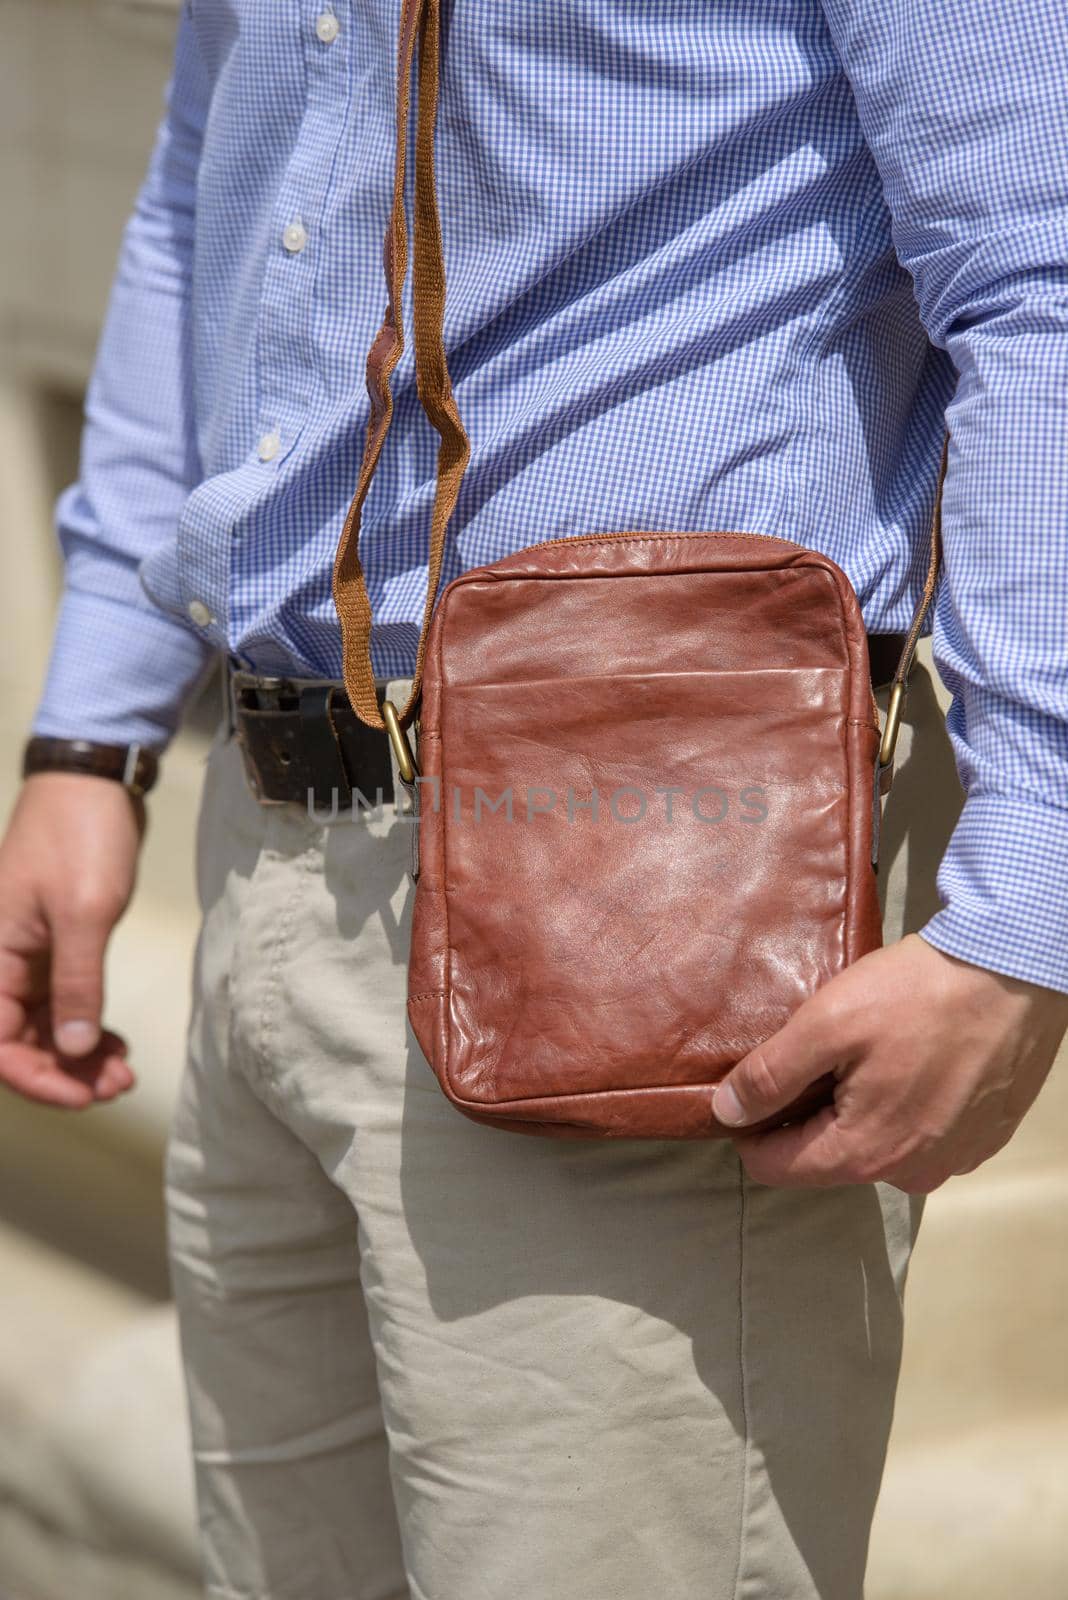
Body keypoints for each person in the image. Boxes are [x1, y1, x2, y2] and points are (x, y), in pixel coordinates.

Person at [2, 2, 1066, 1596]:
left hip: (659, 871)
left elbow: (1043, 275)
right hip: (265, 835)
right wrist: (90, 734)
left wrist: (1025, 918)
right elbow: (203, 186)